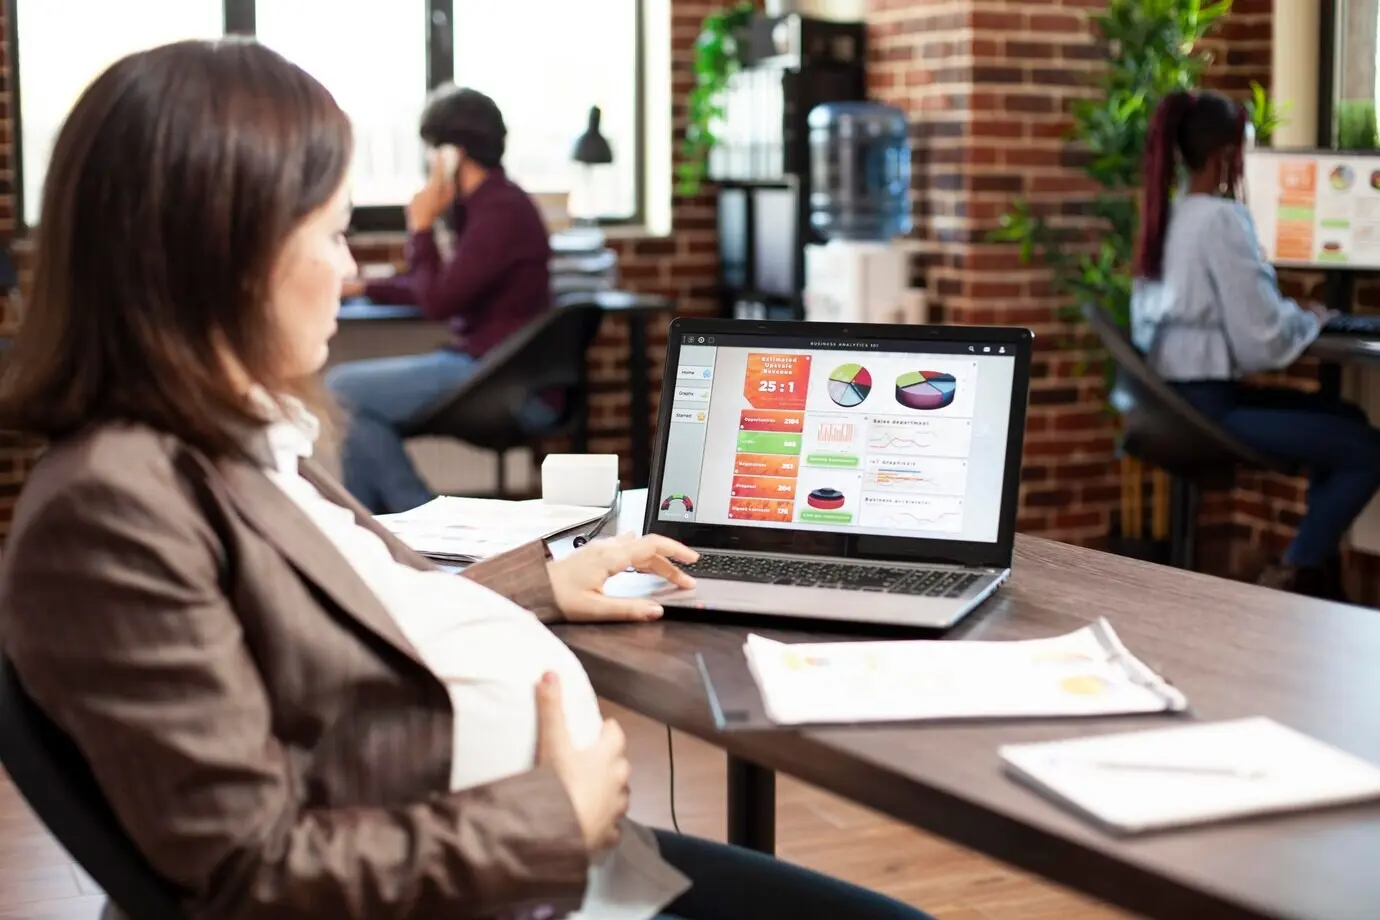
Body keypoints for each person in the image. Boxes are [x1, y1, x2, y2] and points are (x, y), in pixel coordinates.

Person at [0, 38, 936, 920]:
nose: (345, 267)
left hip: (549, 855)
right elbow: (251, 875)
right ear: (222, 252)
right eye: (329, 236)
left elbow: (359, 615)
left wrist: (541, 584)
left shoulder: (235, 443)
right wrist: (551, 821)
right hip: (506, 872)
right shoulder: (112, 510)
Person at [1130, 89, 1380, 598]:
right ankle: (1294, 574)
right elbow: (1261, 339)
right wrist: (1308, 318)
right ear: (1226, 157)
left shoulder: (1167, 214)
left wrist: (1296, 318)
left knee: (1347, 418)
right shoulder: (1221, 220)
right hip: (1210, 407)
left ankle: (1312, 572)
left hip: (1172, 401)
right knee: (1367, 451)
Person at [327, 85, 555, 514]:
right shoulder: (490, 205)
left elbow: (437, 301)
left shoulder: (500, 211)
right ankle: (377, 536)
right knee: (354, 409)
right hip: (489, 365)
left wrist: (420, 225)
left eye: (433, 150)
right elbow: (447, 284)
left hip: (501, 375)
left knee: (341, 391)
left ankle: (420, 521)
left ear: (450, 153)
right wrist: (367, 287)